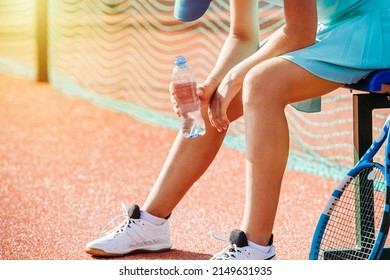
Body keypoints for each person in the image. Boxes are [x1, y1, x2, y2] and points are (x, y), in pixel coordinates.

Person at [85, 0, 390, 260]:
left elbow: (298, 33)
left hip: (378, 27)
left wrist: (235, 77)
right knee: (213, 101)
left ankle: (256, 246)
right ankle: (150, 224)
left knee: (260, 83)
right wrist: (213, 84)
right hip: (339, 29)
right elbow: (242, 36)